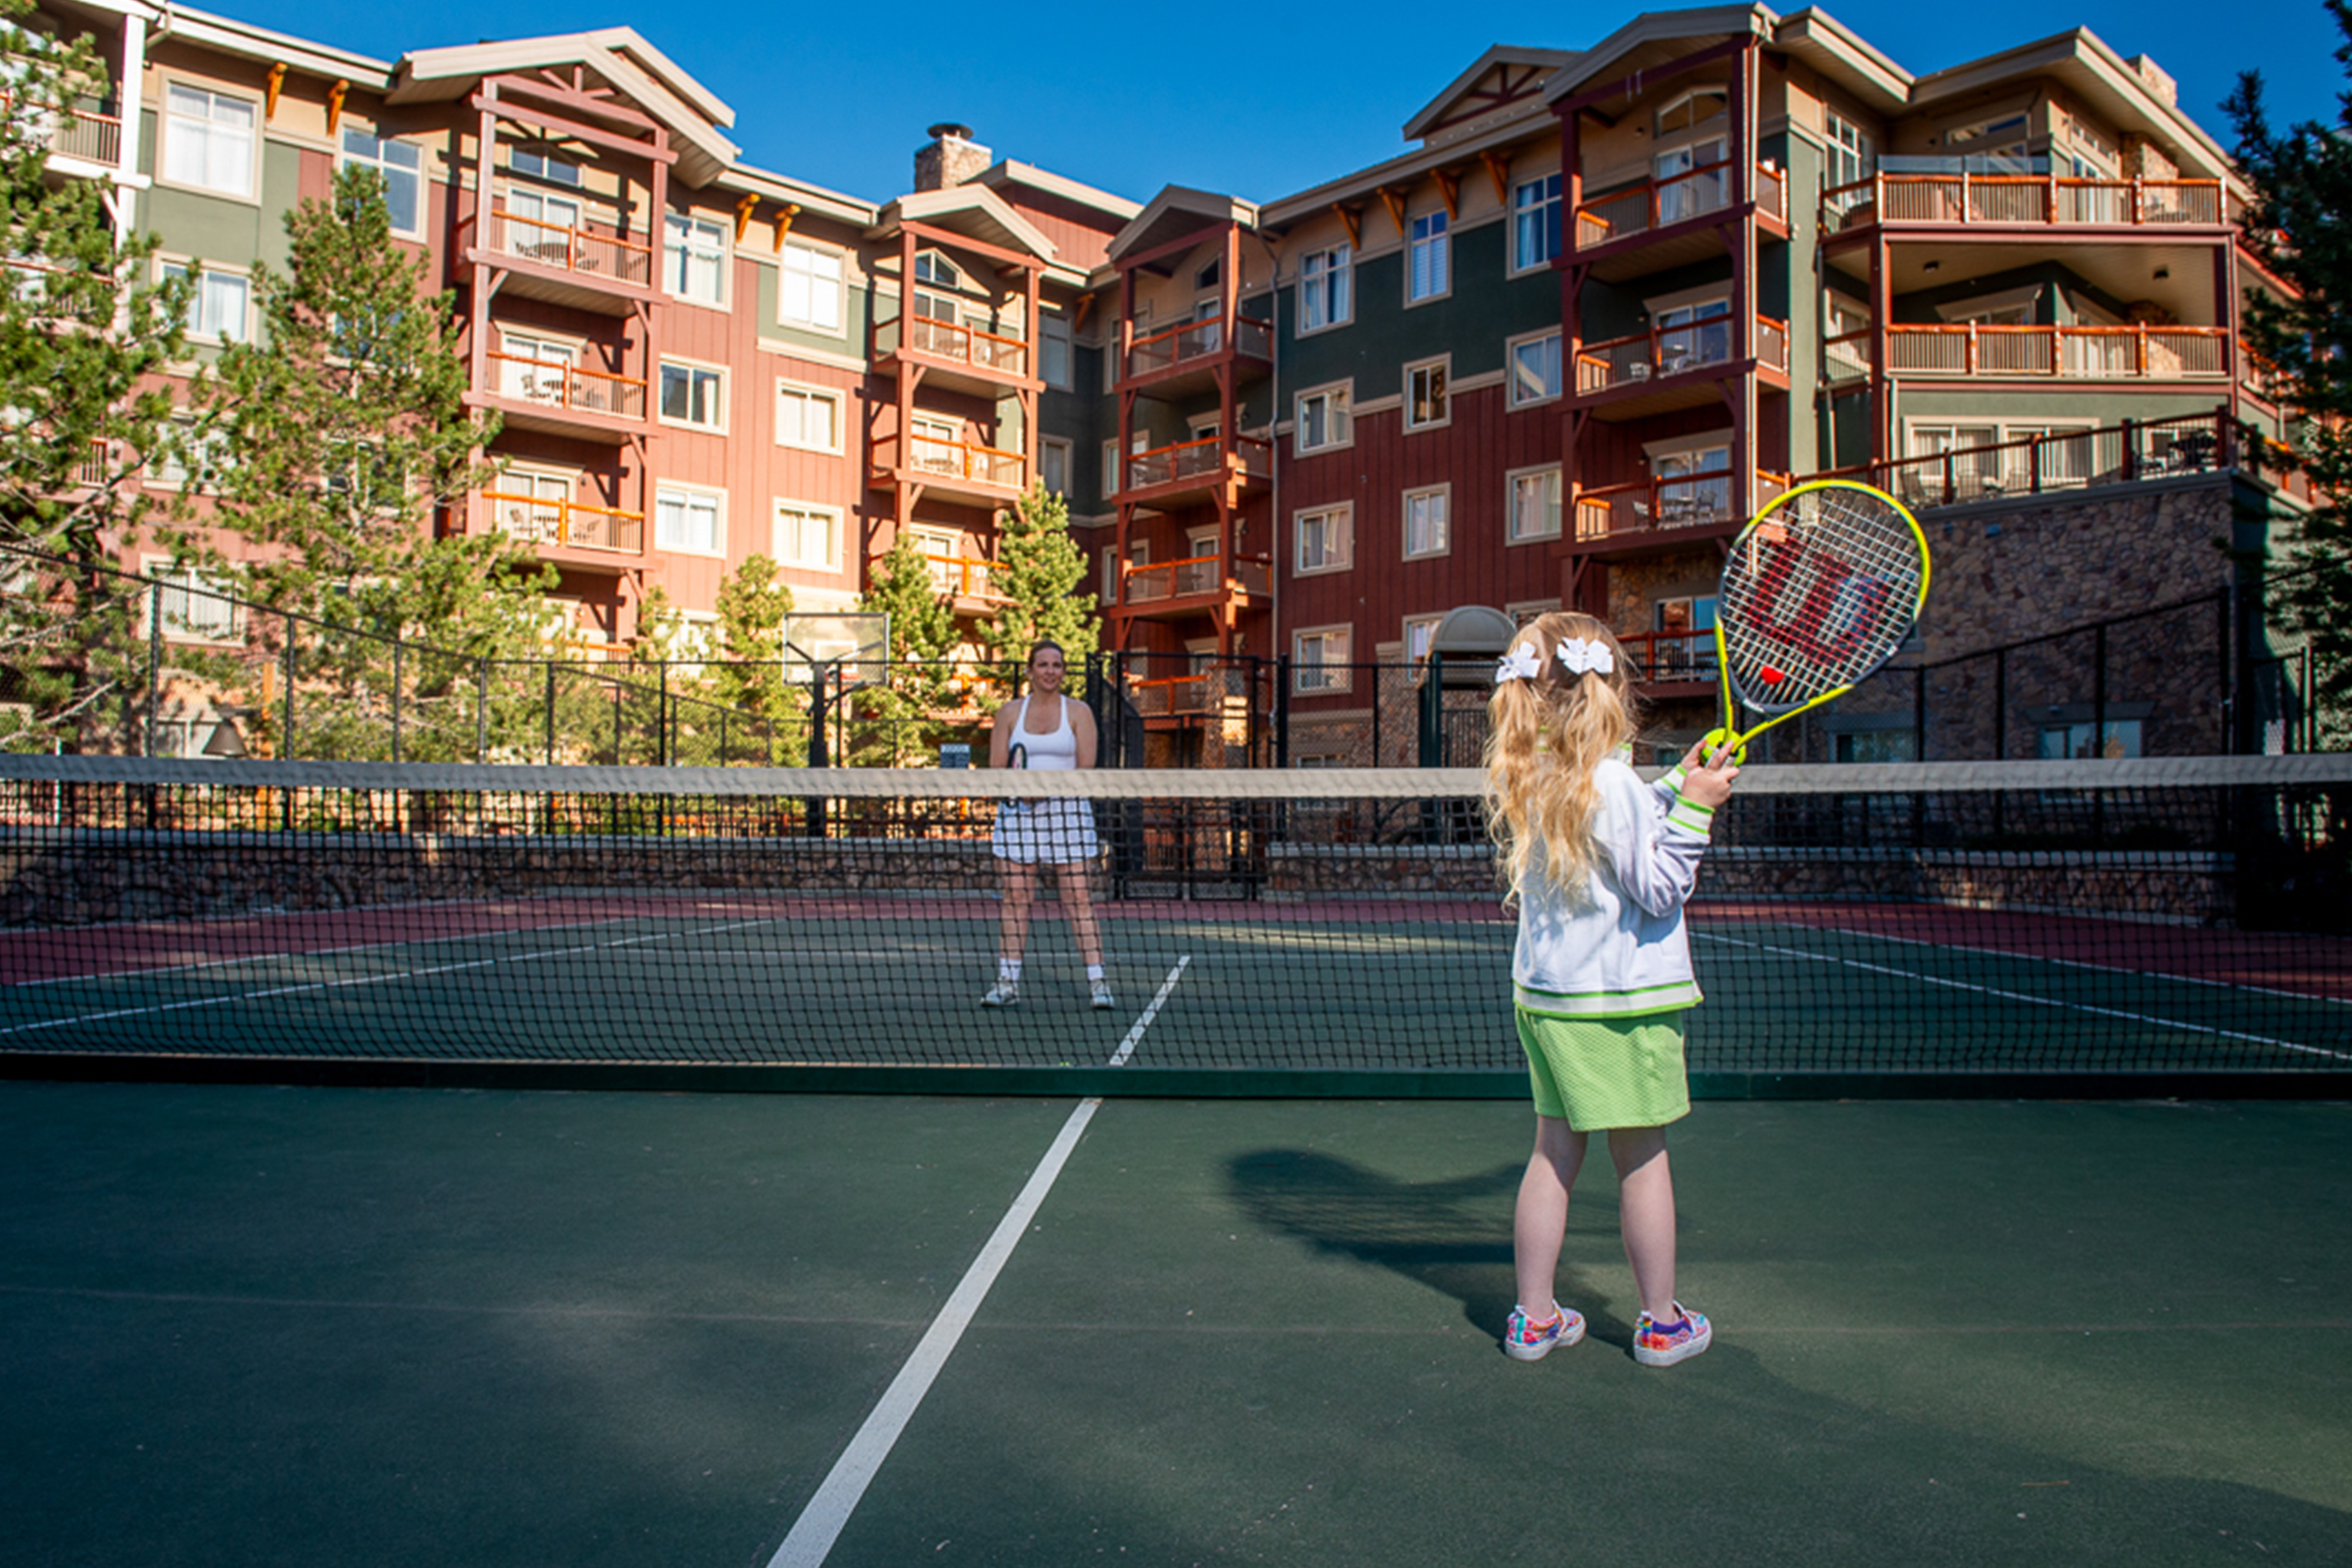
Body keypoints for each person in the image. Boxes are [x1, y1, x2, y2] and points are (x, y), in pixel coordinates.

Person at [1484, 611, 1739, 1368]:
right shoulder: (1612, 785)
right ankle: (1661, 1324)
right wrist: (1695, 807)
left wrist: (1671, 784)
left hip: (1548, 1004)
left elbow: (1608, 829)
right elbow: (1658, 886)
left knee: (1552, 1156)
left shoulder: (1532, 775)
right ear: (1606, 692)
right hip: (1621, 1010)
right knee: (1642, 1161)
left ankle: (1534, 1319)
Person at [981, 640, 1112, 1010]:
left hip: (1068, 817)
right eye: (1043, 664)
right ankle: (1007, 984)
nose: (1050, 671)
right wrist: (1021, 792)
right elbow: (996, 769)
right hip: (1017, 819)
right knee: (1016, 899)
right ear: (1030, 670)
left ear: (1063, 671)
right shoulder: (1008, 713)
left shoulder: (1079, 712)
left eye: (1057, 665)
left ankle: (1098, 983)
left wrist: (1043, 791)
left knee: (1078, 900)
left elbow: (1085, 768)